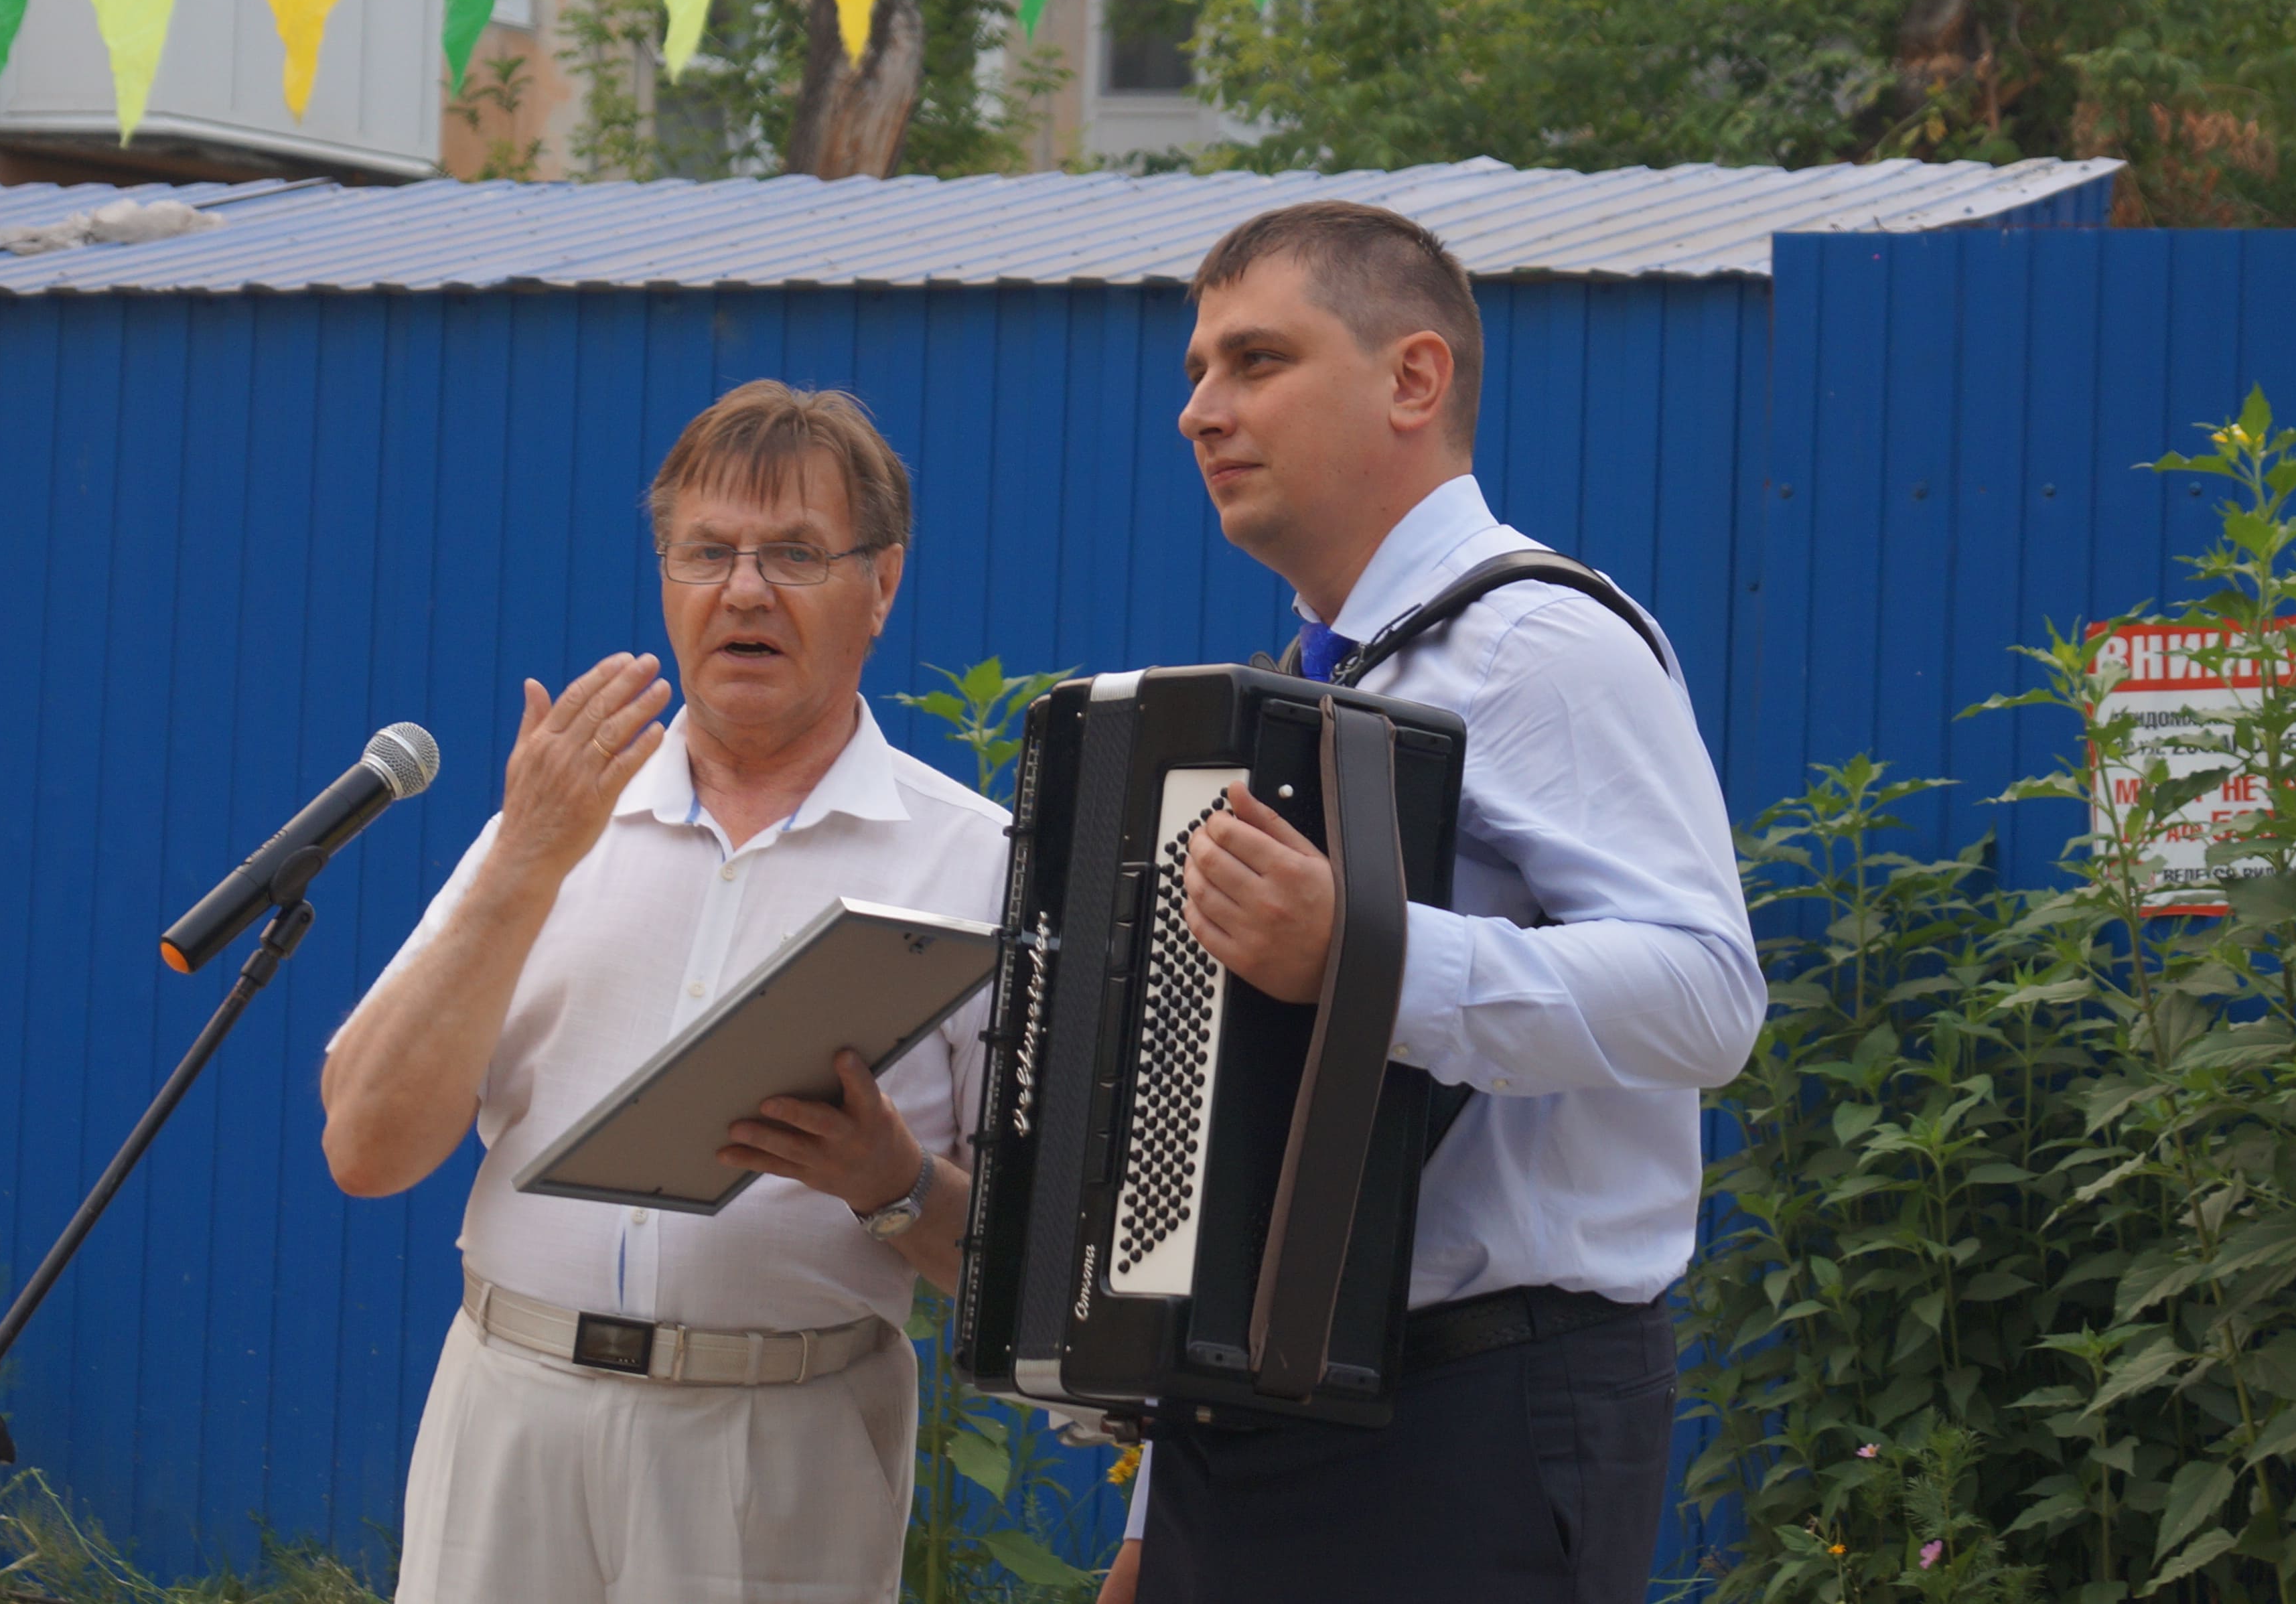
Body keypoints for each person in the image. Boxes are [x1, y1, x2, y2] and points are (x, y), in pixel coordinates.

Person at [1102, 202, 1768, 1603]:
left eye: (1256, 360)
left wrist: (1364, 954)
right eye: (1195, 370)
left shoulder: (1539, 642)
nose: (1199, 412)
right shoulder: (1332, 682)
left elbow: (1711, 995)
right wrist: (1158, 1514)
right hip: (1266, 1428)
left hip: (1475, 1416)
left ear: (1413, 378)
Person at [321, 380, 1007, 1604]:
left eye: (796, 553)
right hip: (510, 1415)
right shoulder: (551, 820)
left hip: (782, 1446)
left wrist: (888, 1182)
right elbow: (368, 1147)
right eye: (708, 553)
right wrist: (522, 862)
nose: (744, 591)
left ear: (884, 583)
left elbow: (1039, 1270)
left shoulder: (979, 864)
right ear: (667, 579)